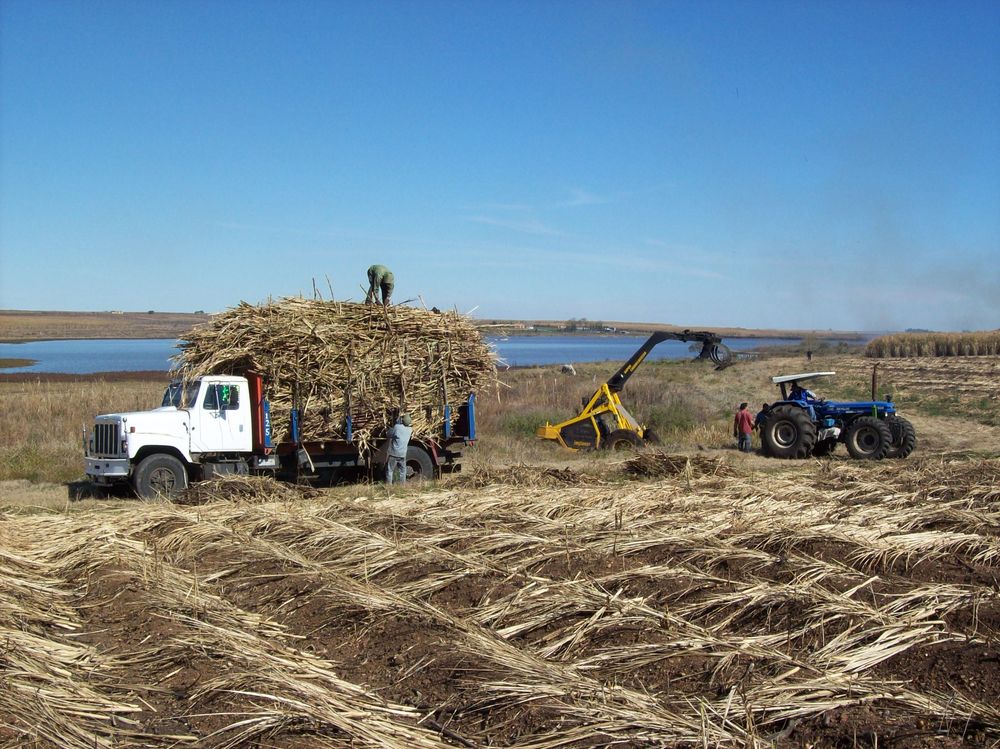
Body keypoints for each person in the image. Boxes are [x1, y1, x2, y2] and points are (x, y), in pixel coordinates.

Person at [385, 413, 413, 484]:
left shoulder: (397, 427)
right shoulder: (410, 429)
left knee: (390, 470)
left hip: (394, 453)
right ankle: (402, 485)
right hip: (403, 454)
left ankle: (389, 486)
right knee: (403, 471)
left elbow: (388, 434)